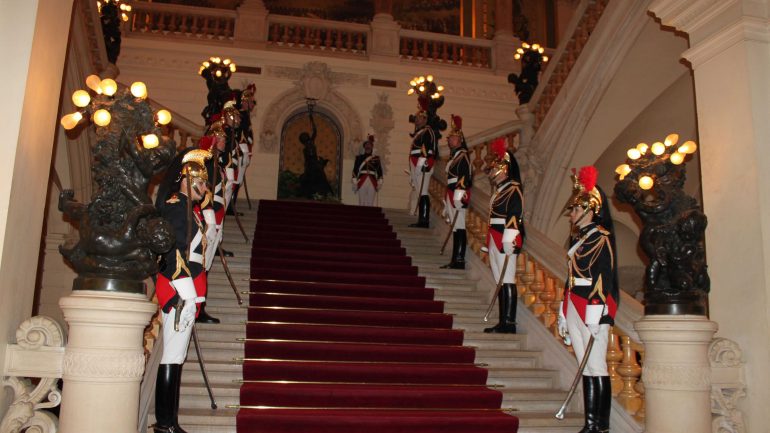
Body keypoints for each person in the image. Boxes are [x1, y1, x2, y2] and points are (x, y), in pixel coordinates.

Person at [153, 148, 212, 433]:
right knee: (172, 357)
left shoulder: (189, 207)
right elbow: (171, 250)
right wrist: (186, 292)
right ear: (190, 178)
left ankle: (171, 421)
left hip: (186, 286)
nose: (207, 187)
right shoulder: (177, 205)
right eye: (203, 181)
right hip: (177, 286)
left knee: (177, 357)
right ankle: (165, 424)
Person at [557, 165, 619, 433]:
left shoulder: (601, 239)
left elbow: (602, 279)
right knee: (585, 367)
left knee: (596, 366)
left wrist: (596, 314)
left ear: (589, 210)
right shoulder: (580, 241)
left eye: (575, 209)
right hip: (574, 303)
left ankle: (600, 426)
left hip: (592, 309)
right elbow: (571, 277)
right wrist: (563, 310)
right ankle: (590, 424)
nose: (571, 214)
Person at [483, 137, 524, 334]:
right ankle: (502, 320)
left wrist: (509, 237)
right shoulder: (500, 191)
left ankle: (509, 322)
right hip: (494, 235)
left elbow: (515, 214)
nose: (492, 172)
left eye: (494, 169)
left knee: (507, 278)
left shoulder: (513, 189)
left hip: (504, 237)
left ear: (504, 169)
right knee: (500, 278)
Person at [441, 115, 472, 269]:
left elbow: (464, 177)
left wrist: (459, 197)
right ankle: (455, 259)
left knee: (459, 226)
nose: (449, 140)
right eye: (449, 138)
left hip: (457, 193)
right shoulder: (455, 157)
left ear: (459, 140)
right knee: (455, 227)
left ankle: (459, 259)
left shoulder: (463, 156)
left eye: (451, 138)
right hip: (452, 191)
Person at [408, 98, 437, 228]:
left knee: (423, 191)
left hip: (423, 164)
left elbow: (427, 149)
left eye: (418, 117)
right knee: (420, 190)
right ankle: (421, 219)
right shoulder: (420, 132)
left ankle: (424, 220)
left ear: (424, 119)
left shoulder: (427, 131)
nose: (416, 120)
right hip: (416, 163)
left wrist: (420, 165)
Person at [298, 109, 333, 198]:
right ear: (303, 140)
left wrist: (312, 119)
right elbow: (306, 159)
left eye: (306, 135)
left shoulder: (311, 142)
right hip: (310, 165)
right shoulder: (306, 147)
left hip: (315, 165)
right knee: (308, 180)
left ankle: (322, 194)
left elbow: (315, 130)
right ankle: (309, 194)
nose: (306, 136)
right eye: (304, 137)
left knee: (320, 179)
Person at [352, 134, 383, 206]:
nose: (368, 146)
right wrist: (354, 181)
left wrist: (380, 182)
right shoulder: (359, 158)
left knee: (370, 202)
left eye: (369, 145)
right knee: (361, 201)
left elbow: (379, 171)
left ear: (372, 147)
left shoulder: (376, 158)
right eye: (366, 145)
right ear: (364, 147)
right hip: (362, 179)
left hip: (372, 180)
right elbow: (355, 170)